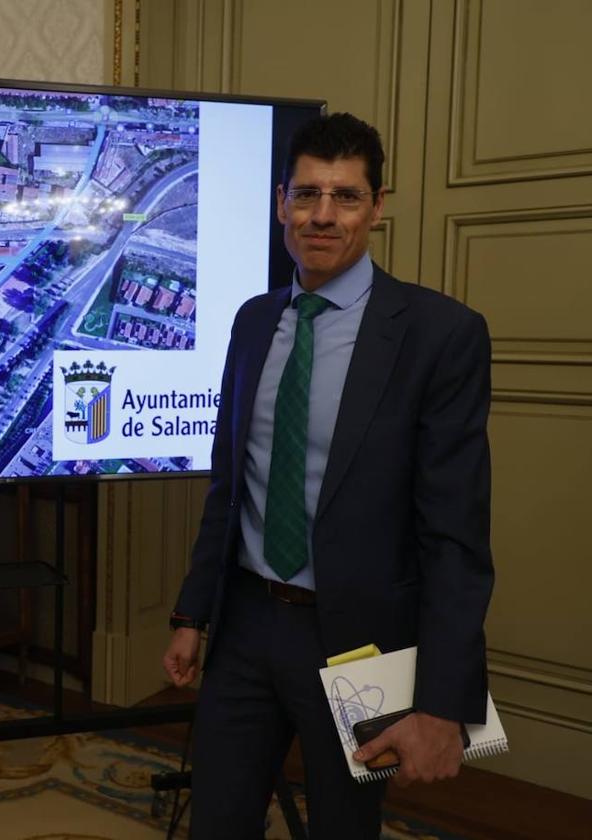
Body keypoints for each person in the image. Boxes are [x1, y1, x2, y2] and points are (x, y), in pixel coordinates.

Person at [161, 113, 493, 839]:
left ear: (377, 207)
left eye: (345, 197)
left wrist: (442, 705)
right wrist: (194, 614)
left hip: (362, 642)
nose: (321, 215)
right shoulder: (253, 321)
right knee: (217, 822)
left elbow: (456, 540)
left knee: (346, 829)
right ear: (281, 201)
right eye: (307, 194)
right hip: (246, 625)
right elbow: (232, 481)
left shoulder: (440, 335)